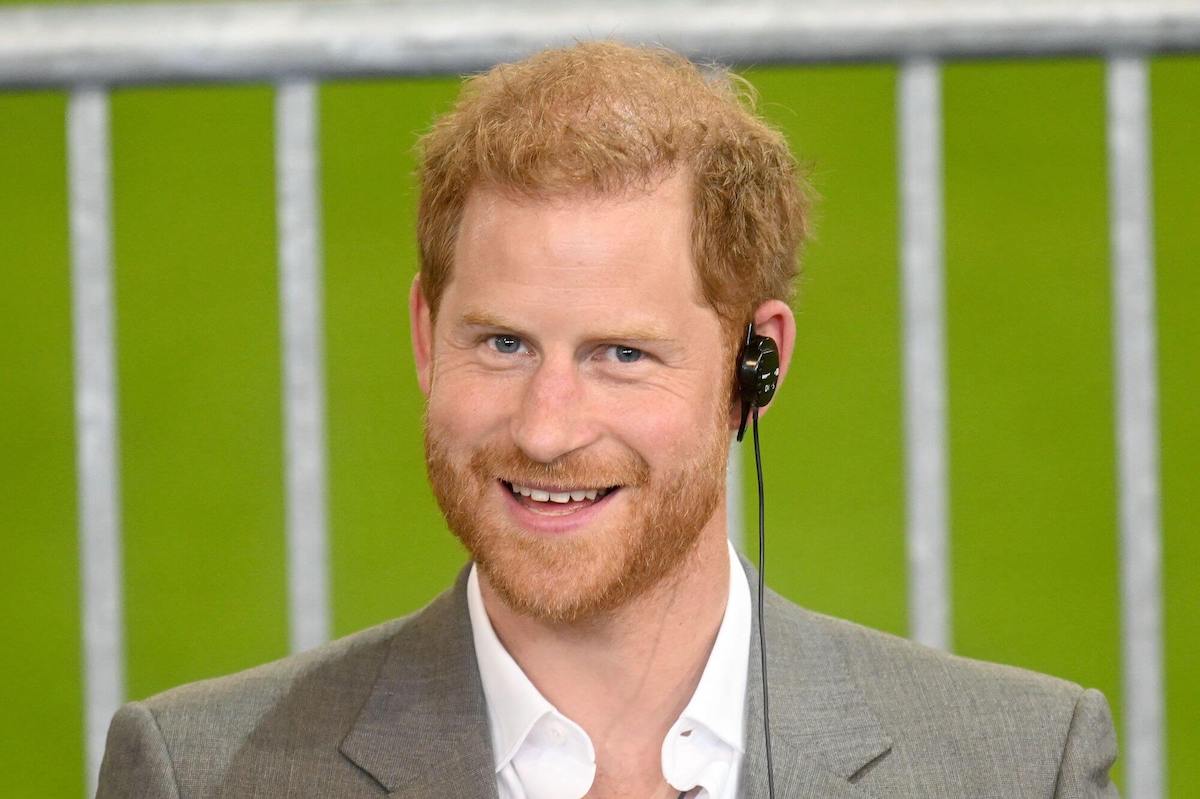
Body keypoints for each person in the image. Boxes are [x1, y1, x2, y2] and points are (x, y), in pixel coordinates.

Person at [96, 42, 1118, 798]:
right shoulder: (198, 772)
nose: (546, 428)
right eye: (501, 344)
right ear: (423, 332)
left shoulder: (1024, 764)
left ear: (752, 366)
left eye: (620, 355)